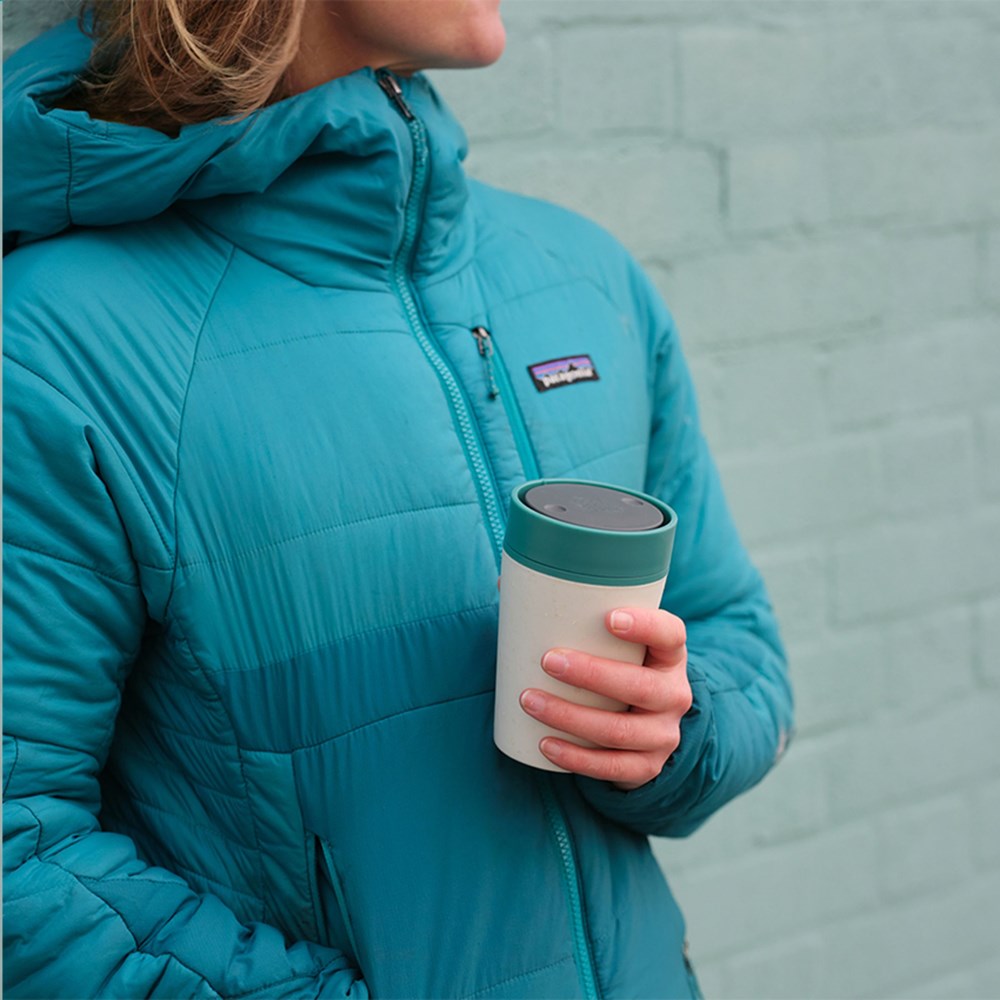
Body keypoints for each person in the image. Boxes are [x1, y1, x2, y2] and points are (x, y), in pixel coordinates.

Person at [2, 2, 794, 997]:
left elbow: (737, 638)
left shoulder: (584, 278)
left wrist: (673, 731)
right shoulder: (57, 343)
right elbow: (19, 858)